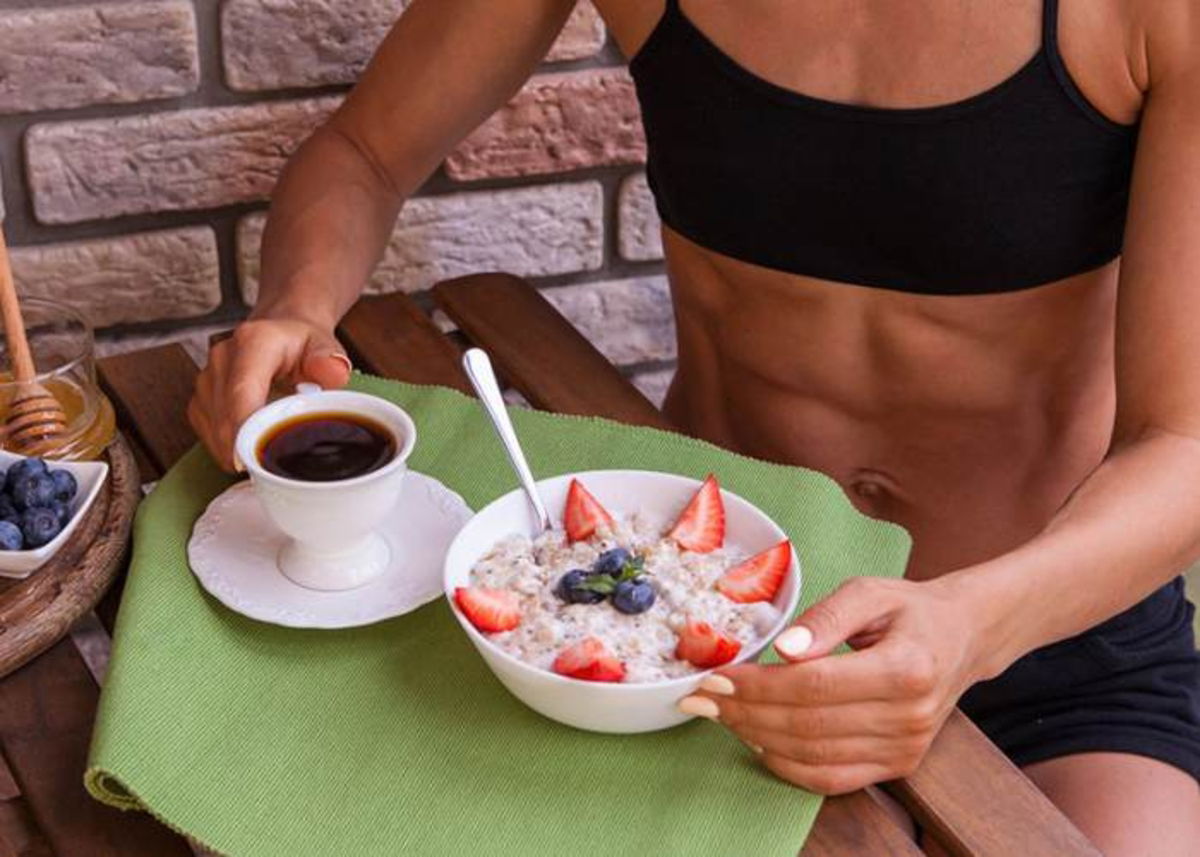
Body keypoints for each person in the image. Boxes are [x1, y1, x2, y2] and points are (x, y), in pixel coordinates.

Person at [188, 1, 1200, 852]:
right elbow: (364, 149)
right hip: (682, 637)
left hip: (1051, 636)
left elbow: (1185, 442)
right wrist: (297, 310)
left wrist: (976, 625)